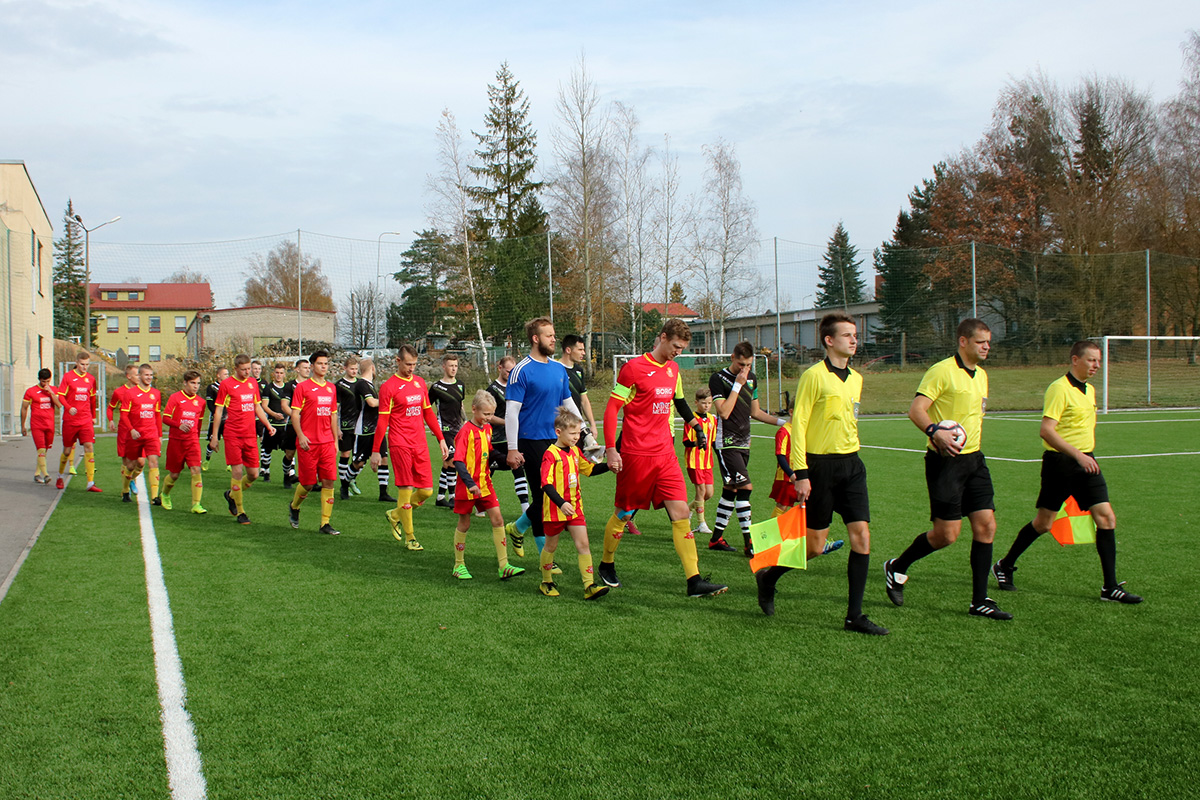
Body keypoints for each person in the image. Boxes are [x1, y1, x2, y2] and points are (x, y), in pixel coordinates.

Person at [756, 313, 880, 634]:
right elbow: (799, 426)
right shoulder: (813, 376)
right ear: (829, 340)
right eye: (847, 335)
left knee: (862, 537)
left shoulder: (856, 379)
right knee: (814, 546)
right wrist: (801, 473)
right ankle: (768, 578)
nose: (854, 340)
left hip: (852, 466)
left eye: (855, 335)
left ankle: (854, 616)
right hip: (820, 468)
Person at [993, 341, 1142, 604]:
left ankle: (1110, 587)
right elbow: (1046, 431)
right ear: (1075, 360)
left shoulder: (1090, 390)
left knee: (1106, 517)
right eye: (1091, 360)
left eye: (1098, 361)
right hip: (1060, 464)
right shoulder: (1059, 388)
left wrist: (1085, 456)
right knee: (1044, 523)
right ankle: (1005, 565)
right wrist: (1077, 455)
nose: (1097, 365)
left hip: (1087, 462)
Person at [883, 318, 1011, 620]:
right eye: (980, 342)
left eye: (988, 342)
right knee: (947, 535)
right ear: (963, 341)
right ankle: (897, 567)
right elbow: (916, 410)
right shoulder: (941, 371)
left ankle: (979, 601)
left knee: (986, 526)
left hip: (974, 461)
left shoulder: (982, 375)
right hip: (945, 463)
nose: (986, 347)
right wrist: (934, 432)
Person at [598, 318, 727, 598]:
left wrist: (695, 426)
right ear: (663, 337)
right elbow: (611, 410)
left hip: (665, 455)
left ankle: (694, 580)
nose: (678, 352)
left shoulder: (673, 369)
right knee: (624, 512)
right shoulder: (633, 369)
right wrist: (611, 449)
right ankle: (606, 564)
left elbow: (679, 402)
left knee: (680, 513)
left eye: (682, 348)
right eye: (676, 346)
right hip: (636, 454)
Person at [505, 318, 585, 561]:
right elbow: (511, 412)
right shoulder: (521, 370)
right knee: (544, 497)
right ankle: (544, 559)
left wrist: (584, 431)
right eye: (548, 335)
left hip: (556, 440)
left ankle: (518, 528)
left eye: (553, 334)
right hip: (531, 441)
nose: (553, 339)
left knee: (551, 496)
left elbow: (568, 403)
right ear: (535, 338)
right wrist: (512, 448)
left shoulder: (558, 369)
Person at [707, 341, 789, 555]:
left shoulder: (751, 378)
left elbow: (756, 412)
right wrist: (737, 385)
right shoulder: (718, 378)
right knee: (745, 488)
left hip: (744, 443)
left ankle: (716, 539)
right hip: (727, 443)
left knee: (731, 490)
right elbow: (723, 412)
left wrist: (786, 424)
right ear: (733, 358)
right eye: (741, 364)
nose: (745, 370)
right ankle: (749, 543)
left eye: (749, 365)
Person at [371, 345, 448, 550]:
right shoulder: (388, 387)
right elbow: (382, 421)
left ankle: (395, 514)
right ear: (398, 361)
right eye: (408, 364)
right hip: (400, 443)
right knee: (406, 489)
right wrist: (376, 450)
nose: (411, 368)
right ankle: (410, 537)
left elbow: (428, 413)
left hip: (420, 443)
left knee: (427, 491)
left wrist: (440, 438)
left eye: (414, 364)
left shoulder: (420, 383)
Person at [449, 390, 526, 580]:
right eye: (485, 414)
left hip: (485, 484)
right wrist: (469, 483)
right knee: (464, 524)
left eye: (491, 414)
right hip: (468, 486)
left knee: (498, 519)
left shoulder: (487, 429)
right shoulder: (465, 432)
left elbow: (490, 451)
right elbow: (458, 461)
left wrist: (507, 460)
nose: (489, 418)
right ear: (474, 409)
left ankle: (504, 565)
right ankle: (458, 565)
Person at [537, 407, 611, 600]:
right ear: (558, 432)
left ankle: (589, 585)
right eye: (572, 433)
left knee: (583, 544)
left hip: (575, 508)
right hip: (555, 509)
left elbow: (590, 470)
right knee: (550, 546)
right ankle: (546, 581)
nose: (576, 437)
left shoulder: (575, 452)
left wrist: (609, 466)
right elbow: (546, 483)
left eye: (578, 433)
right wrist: (561, 503)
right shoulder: (550, 454)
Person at [208, 354, 275, 524]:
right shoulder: (226, 384)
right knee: (237, 472)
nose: (247, 372)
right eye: (243, 369)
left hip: (250, 435)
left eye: (249, 369)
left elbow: (257, 407)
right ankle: (241, 512)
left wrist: (268, 425)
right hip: (233, 435)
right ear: (236, 368)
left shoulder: (252, 383)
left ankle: (231, 495)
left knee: (253, 474)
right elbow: (218, 411)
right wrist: (215, 436)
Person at [287, 350, 341, 536]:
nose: (323, 366)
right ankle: (294, 506)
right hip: (308, 443)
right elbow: (295, 414)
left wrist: (335, 441)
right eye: (320, 363)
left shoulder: (331, 388)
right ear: (312, 366)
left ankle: (325, 523)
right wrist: (301, 435)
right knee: (308, 484)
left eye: (326, 363)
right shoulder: (303, 388)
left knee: (328, 481)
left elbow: (333, 415)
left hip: (326, 442)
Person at [160, 370, 208, 513]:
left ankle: (196, 504)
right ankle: (165, 494)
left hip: (192, 442)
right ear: (185, 383)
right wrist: (178, 425)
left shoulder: (201, 402)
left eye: (198, 383)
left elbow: (199, 423)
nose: (196, 386)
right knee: (174, 474)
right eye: (193, 383)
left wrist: (196, 438)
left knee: (196, 470)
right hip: (176, 442)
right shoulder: (175, 398)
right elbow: (165, 418)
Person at [348, 357, 392, 502]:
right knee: (359, 463)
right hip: (364, 429)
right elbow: (371, 403)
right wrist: (389, 402)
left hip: (377, 428)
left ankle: (383, 493)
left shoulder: (370, 385)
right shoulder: (362, 384)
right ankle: (345, 484)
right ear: (372, 368)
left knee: (384, 458)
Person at [56, 351, 101, 492]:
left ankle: (90, 482)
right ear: (76, 363)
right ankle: (60, 476)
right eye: (82, 364)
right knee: (67, 451)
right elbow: (60, 396)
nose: (84, 367)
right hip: (70, 420)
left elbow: (92, 399)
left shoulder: (91, 379)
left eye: (87, 364)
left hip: (85, 419)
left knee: (89, 446)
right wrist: (68, 407)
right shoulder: (68, 377)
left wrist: (93, 416)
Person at [122, 364, 164, 505]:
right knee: (131, 465)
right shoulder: (130, 393)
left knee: (153, 461)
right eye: (146, 375)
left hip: (151, 434)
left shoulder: (156, 393)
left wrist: (159, 435)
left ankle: (155, 497)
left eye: (151, 375)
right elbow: (124, 415)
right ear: (139, 376)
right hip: (135, 435)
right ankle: (125, 489)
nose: (149, 377)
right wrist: (131, 430)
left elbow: (157, 415)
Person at [430, 353, 466, 508]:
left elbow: (461, 406)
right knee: (452, 461)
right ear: (443, 367)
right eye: (451, 366)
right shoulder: (436, 387)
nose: (454, 369)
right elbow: (426, 408)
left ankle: (440, 497)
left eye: (456, 366)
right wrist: (433, 426)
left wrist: (465, 422)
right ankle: (452, 497)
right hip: (444, 429)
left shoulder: (460, 385)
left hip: (458, 428)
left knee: (447, 462)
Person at [682, 387, 717, 534]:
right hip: (694, 461)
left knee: (708, 493)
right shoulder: (691, 420)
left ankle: (687, 510)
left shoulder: (712, 419)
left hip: (707, 462)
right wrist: (696, 443)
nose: (706, 406)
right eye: (703, 403)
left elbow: (713, 441)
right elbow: (686, 442)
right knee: (701, 490)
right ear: (696, 403)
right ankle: (701, 523)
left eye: (709, 403)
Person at [21, 368, 61, 484]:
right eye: (43, 381)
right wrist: (23, 425)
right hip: (37, 425)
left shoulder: (54, 390)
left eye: (48, 381)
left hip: (49, 425)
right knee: (41, 449)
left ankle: (37, 474)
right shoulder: (31, 391)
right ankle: (46, 474)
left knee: (45, 450)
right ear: (39, 380)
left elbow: (59, 405)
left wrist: (51, 393)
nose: (45, 384)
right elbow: (24, 408)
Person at [278, 359, 311, 488]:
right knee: (290, 454)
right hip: (293, 424)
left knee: (309, 453)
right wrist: (296, 416)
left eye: (309, 367)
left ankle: (310, 481)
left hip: (309, 425)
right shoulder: (290, 386)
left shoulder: (312, 385)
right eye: (304, 367)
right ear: (297, 369)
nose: (308, 370)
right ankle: (287, 475)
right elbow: (284, 405)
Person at [336, 355, 363, 499]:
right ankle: (344, 486)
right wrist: (337, 427)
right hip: (345, 425)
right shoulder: (339, 385)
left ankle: (351, 478)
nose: (354, 371)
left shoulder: (360, 384)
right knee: (345, 454)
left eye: (356, 369)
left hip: (359, 426)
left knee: (361, 457)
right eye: (351, 369)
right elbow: (336, 409)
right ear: (345, 368)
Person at [108, 364, 139, 492]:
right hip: (124, 430)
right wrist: (111, 420)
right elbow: (110, 407)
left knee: (140, 461)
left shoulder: (143, 391)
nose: (139, 377)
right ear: (129, 376)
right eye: (137, 374)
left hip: (139, 429)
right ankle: (125, 490)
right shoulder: (119, 392)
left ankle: (131, 479)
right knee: (126, 460)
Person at [259, 363, 291, 481]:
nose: (279, 375)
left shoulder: (288, 388)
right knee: (267, 450)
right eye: (277, 372)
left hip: (285, 426)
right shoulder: (268, 388)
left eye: (281, 373)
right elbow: (264, 405)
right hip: (272, 425)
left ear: (284, 374)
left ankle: (288, 476)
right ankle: (266, 472)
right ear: (273, 373)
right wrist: (274, 414)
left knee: (289, 451)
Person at [203, 367, 228, 470]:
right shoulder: (212, 387)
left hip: (227, 419)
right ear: (218, 375)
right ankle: (207, 460)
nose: (227, 376)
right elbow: (210, 403)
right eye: (225, 374)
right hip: (216, 419)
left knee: (230, 442)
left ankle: (230, 465)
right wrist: (217, 414)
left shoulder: (229, 387)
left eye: (227, 374)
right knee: (212, 442)